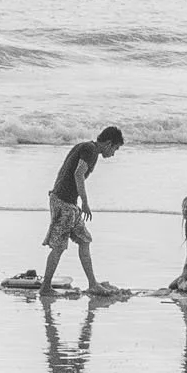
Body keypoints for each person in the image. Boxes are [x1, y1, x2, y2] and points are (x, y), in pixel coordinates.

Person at [40, 125, 122, 294]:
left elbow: (69, 172)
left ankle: (93, 284)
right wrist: (85, 202)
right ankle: (45, 287)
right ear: (108, 143)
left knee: (84, 240)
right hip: (63, 202)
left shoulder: (86, 147)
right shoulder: (90, 150)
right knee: (59, 246)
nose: (113, 153)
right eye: (115, 148)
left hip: (68, 202)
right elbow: (78, 174)